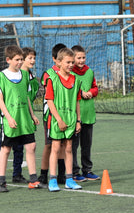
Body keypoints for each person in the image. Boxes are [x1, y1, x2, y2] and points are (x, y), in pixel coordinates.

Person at [0, 45, 42, 192]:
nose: (20, 62)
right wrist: (8, 117)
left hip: (25, 118)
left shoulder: (25, 75)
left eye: (21, 59)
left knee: (31, 146)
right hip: (11, 119)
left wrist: (32, 114)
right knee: (6, 148)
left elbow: (27, 97)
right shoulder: (1, 77)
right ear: (8, 60)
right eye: (17, 60)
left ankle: (33, 179)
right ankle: (1, 181)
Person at [45, 47, 82, 192]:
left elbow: (77, 101)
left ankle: (69, 179)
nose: (71, 65)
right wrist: (59, 120)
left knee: (68, 149)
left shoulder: (76, 80)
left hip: (71, 120)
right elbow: (50, 101)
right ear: (59, 62)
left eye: (72, 62)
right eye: (68, 62)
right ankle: (52, 180)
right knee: (55, 148)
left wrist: (78, 120)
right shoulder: (52, 79)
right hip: (57, 120)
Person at [38, 43, 66, 186]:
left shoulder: (69, 74)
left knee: (62, 145)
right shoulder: (48, 74)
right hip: (50, 115)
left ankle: (62, 174)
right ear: (55, 59)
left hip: (64, 114)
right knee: (49, 145)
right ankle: (43, 174)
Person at [71, 45, 100, 181]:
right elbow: (69, 90)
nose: (82, 60)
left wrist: (91, 93)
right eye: (79, 58)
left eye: (83, 57)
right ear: (73, 58)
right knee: (74, 146)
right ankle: (74, 172)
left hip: (89, 115)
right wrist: (80, 93)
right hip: (76, 116)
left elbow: (95, 87)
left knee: (86, 145)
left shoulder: (90, 71)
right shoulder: (70, 73)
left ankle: (87, 169)